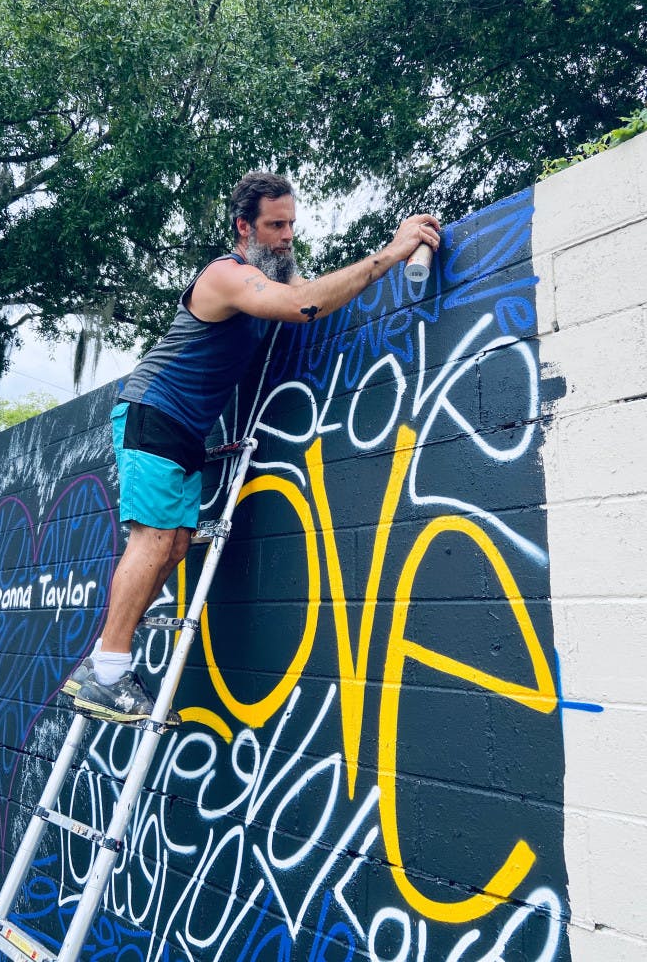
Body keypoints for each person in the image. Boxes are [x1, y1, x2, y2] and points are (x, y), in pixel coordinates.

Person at [69, 172, 440, 723]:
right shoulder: (225, 275)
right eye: (275, 225)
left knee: (173, 549)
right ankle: (108, 670)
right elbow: (304, 305)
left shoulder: (263, 282)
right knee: (152, 542)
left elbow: (310, 297)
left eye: (292, 223)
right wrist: (393, 250)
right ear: (245, 227)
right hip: (155, 410)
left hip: (187, 429)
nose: (288, 235)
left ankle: (99, 664)